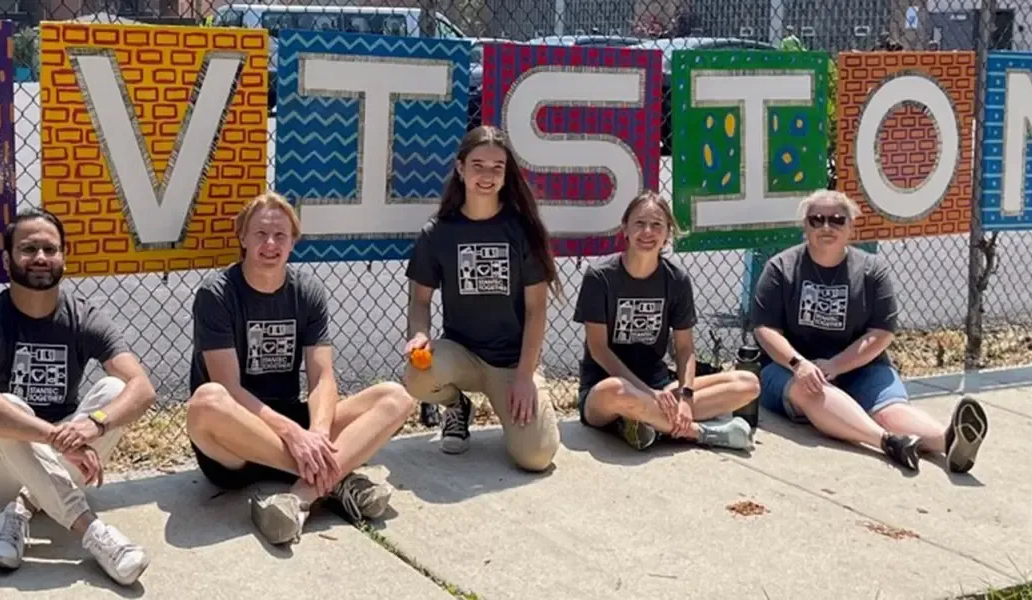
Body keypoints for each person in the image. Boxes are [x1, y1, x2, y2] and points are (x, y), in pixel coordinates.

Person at [185, 192, 417, 546]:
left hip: (299, 431)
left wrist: (319, 434)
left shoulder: (307, 291)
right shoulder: (216, 294)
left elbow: (323, 377)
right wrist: (295, 435)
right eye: (260, 233)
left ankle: (298, 498)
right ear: (242, 237)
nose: (270, 243)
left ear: (294, 240)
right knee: (207, 401)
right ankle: (337, 480)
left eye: (280, 235)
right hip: (237, 441)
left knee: (395, 396)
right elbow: (229, 388)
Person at [0, 209, 156, 585]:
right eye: (28, 249)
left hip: (61, 457)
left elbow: (142, 388)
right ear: (7, 259)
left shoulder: (83, 316)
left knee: (115, 391)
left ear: (64, 255)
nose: (41, 258)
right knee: (6, 405)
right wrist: (56, 438)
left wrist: (92, 426)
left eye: (50, 248)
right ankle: (93, 532)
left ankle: (20, 508)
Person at [750, 190, 989, 473]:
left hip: (860, 366)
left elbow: (881, 332)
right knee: (810, 388)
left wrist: (836, 365)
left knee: (890, 410)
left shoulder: (872, 270)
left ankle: (949, 440)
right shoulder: (781, 268)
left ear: (851, 227)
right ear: (805, 227)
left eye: (837, 220)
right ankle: (887, 441)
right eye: (816, 220)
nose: (826, 227)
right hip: (789, 368)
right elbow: (765, 328)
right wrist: (799, 364)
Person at [400, 125, 562, 472]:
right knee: (417, 371)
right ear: (460, 168)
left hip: (511, 363)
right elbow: (421, 301)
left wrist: (524, 375)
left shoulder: (522, 229)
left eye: (496, 167)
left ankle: (527, 403)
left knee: (536, 456)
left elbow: (536, 310)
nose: (486, 175)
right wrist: (419, 334)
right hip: (461, 356)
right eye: (477, 165)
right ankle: (456, 406)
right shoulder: (437, 232)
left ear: (506, 175)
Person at [574, 191, 761, 452]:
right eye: (639, 223)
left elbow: (685, 349)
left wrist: (684, 397)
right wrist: (649, 395)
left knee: (748, 384)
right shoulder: (600, 277)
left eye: (657, 225)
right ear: (624, 228)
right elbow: (599, 350)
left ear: (667, 233)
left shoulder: (676, 280)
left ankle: (645, 423)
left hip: (661, 387)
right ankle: (700, 432)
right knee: (617, 391)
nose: (647, 231)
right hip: (606, 390)